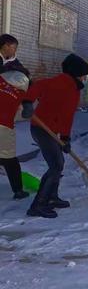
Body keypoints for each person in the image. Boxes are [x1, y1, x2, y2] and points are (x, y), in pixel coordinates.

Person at [23, 54, 88, 218]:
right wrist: (27, 103)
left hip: (52, 132)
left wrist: (65, 138)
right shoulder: (56, 83)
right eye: (84, 75)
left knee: (57, 162)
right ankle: (38, 205)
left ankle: (51, 197)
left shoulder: (74, 91)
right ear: (76, 74)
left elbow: (67, 117)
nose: (85, 79)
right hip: (41, 129)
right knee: (56, 165)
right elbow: (35, 88)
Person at [0, 70, 32, 199]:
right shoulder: (22, 93)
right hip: (4, 127)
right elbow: (21, 115)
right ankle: (18, 191)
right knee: (9, 160)